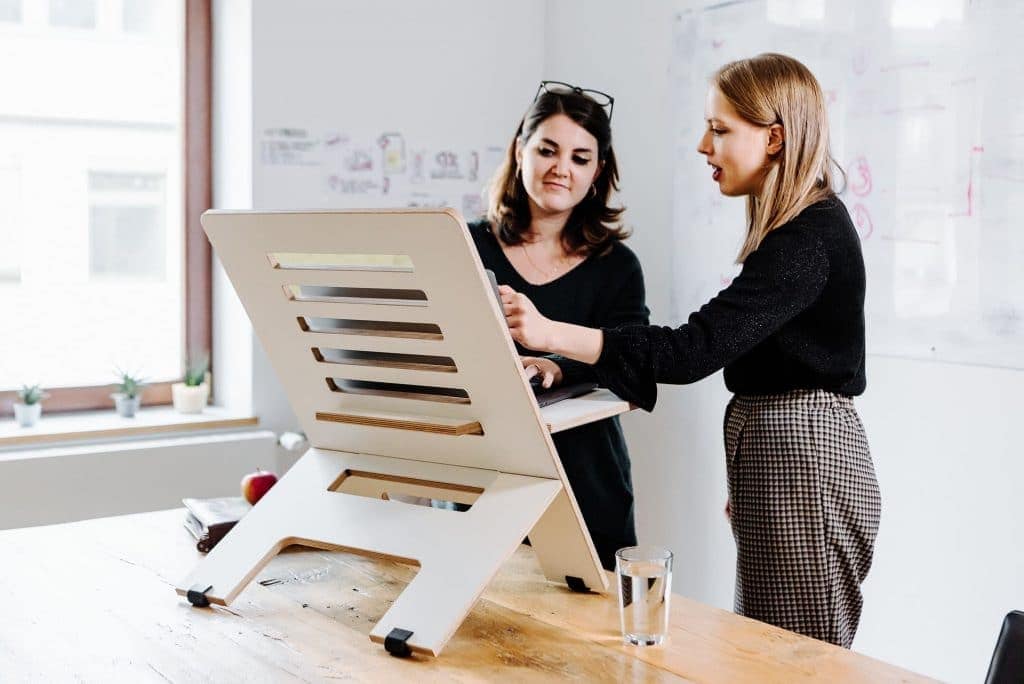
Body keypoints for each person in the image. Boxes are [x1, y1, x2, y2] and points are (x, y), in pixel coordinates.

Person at [498, 54, 881, 649]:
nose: (705, 145)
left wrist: (549, 335)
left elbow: (690, 352)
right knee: (763, 652)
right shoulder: (797, 231)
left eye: (721, 129)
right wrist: (753, 473)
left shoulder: (808, 237)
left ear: (775, 138)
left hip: (801, 455)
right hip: (778, 454)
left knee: (792, 661)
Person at [468, 80, 649, 571]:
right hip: (482, 486)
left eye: (580, 157)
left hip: (588, 486)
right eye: (547, 150)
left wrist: (555, 365)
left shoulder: (618, 267)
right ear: (519, 150)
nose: (560, 169)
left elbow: (634, 371)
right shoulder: (465, 246)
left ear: (598, 172)